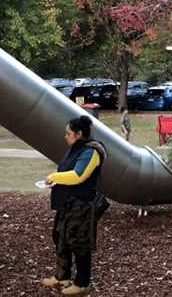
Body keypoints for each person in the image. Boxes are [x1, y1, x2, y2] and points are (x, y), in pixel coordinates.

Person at [41, 116, 106, 295]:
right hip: (67, 202)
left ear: (79, 134)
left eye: (68, 133)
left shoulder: (91, 152)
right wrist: (57, 180)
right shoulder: (75, 149)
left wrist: (54, 177)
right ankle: (62, 276)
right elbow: (67, 172)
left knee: (79, 243)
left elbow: (79, 175)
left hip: (81, 204)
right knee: (60, 237)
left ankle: (82, 283)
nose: (65, 136)